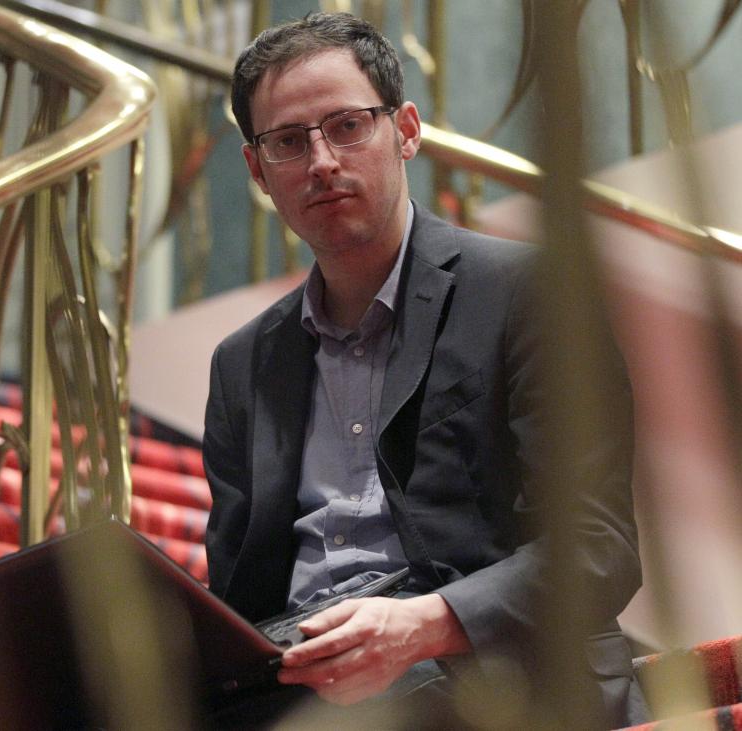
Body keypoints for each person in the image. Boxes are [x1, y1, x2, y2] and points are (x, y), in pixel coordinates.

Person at [202, 11, 646, 729]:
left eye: (347, 126)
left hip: (495, 679)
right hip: (305, 692)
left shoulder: (529, 292)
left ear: (405, 131)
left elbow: (600, 547)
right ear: (257, 171)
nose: (321, 161)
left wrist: (424, 624)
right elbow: (237, 597)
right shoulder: (241, 366)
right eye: (288, 141)